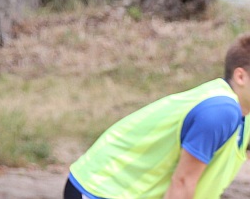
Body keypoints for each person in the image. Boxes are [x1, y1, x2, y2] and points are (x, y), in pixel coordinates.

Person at [65, 33, 250, 199]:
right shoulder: (220, 112)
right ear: (240, 77)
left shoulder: (243, 114)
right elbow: (182, 184)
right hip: (100, 190)